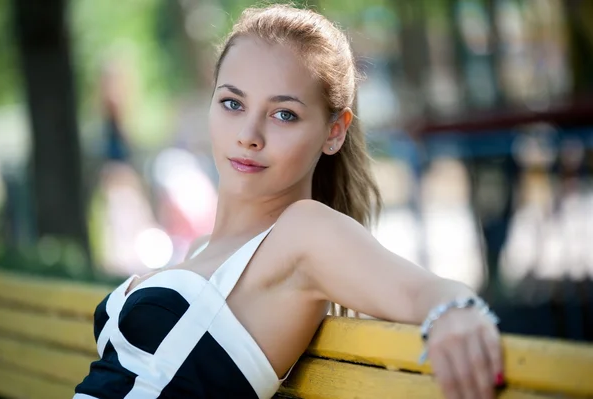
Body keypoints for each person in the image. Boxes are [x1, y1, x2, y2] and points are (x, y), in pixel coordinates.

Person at [74, 4, 504, 399]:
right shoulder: (201, 249)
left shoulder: (302, 233)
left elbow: (422, 291)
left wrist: (454, 311)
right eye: (232, 103)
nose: (249, 134)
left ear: (334, 131)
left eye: (284, 114)